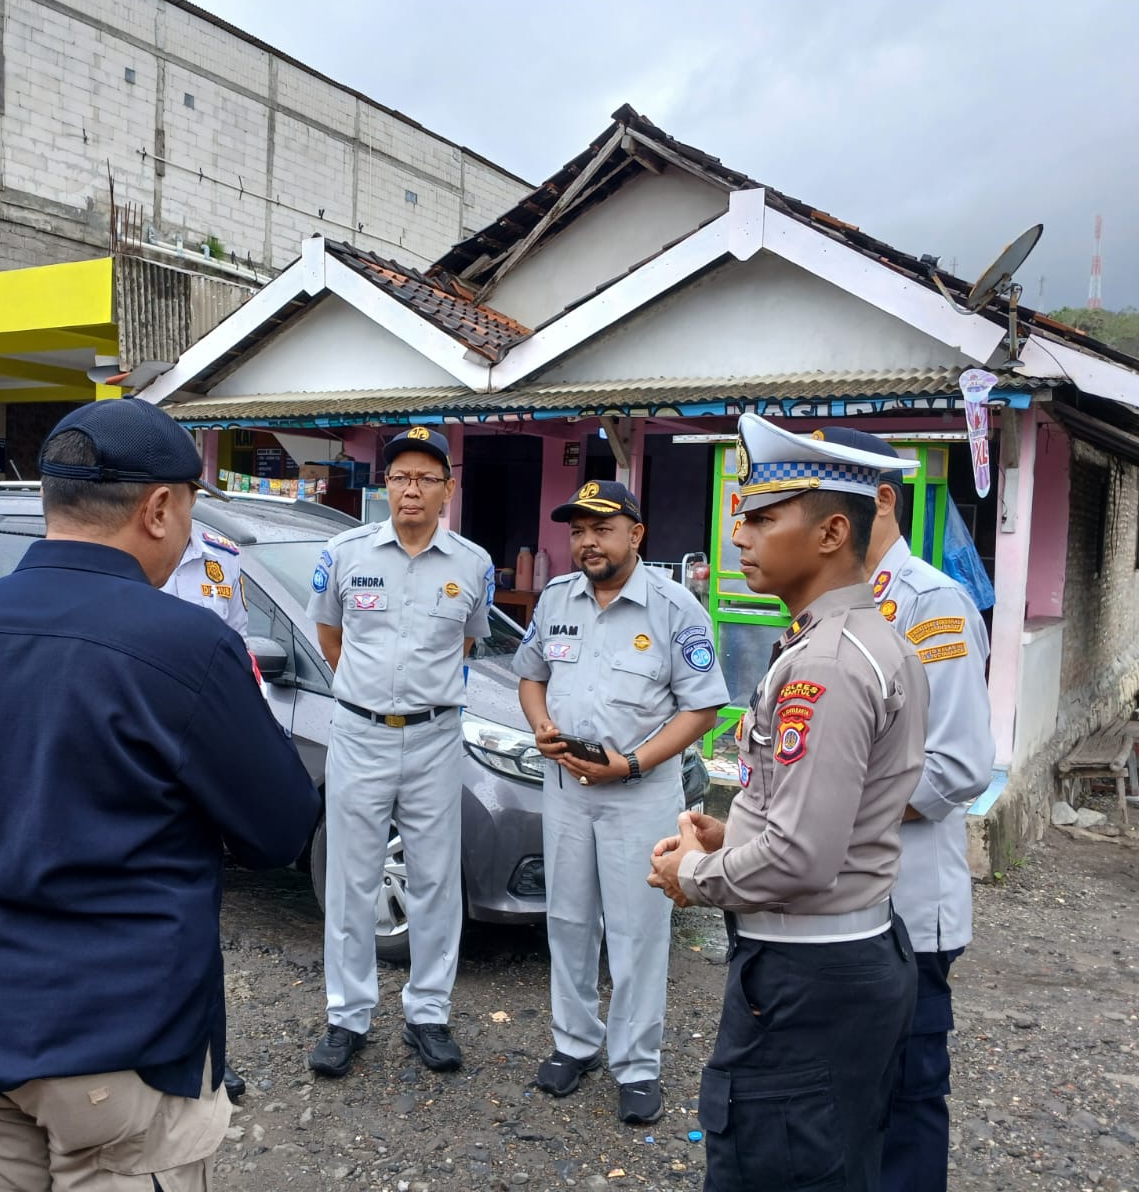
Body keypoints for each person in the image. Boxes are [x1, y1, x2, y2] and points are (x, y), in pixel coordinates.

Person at [0, 398, 319, 1192]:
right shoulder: (187, 647)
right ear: (157, 508)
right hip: (119, 1045)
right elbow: (279, 828)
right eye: (186, 511)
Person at [648, 413, 928, 1192]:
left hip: (810, 970)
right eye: (743, 514)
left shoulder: (828, 666)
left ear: (833, 530)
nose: (740, 534)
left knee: (774, 1163)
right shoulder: (852, 642)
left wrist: (695, 874)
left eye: (764, 517)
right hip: (839, 958)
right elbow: (817, 811)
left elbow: (803, 857)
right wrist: (732, 830)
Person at [513, 480, 727, 1124]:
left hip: (640, 793)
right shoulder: (556, 600)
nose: (587, 542)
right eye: (578, 531)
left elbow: (704, 707)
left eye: (601, 529)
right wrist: (541, 725)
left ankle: (637, 1065)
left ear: (636, 535)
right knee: (570, 921)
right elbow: (531, 674)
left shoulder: (674, 607)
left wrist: (631, 761)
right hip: (568, 790)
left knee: (637, 930)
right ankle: (574, 1043)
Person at [818, 428, 996, 1192]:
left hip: (904, 912)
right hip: (831, 906)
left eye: (822, 505)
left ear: (881, 502)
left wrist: (825, 814)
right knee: (837, 1100)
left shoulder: (930, 605)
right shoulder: (827, 614)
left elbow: (957, 767)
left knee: (906, 1104)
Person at [306, 426, 494, 1078]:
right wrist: (372, 698)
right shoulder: (343, 553)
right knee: (351, 876)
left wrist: (419, 701)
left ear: (449, 488)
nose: (411, 488)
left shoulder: (473, 565)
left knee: (436, 878)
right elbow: (330, 638)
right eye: (400, 477)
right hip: (359, 733)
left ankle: (428, 1014)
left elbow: (465, 646)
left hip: (437, 736)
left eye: (426, 478)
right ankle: (347, 1016)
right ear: (384, 486)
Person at [159, 512, 251, 1101]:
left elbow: (236, 653)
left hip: (196, 760)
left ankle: (209, 1054)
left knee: (198, 910)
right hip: (126, 754)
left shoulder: (223, 558)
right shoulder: (113, 546)